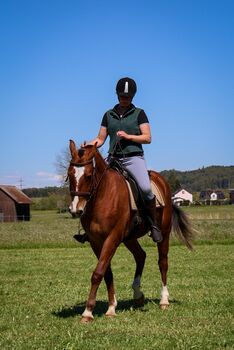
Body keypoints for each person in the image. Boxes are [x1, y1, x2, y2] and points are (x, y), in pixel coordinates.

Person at [74, 77, 162, 244]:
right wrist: (89, 145)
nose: (124, 99)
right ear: (117, 95)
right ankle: (90, 229)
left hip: (133, 158)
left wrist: (128, 136)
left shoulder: (139, 113)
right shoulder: (109, 115)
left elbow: (148, 138)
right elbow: (100, 139)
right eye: (122, 96)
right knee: (94, 184)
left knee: (144, 188)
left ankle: (153, 224)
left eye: (128, 97)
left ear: (133, 96)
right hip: (113, 159)